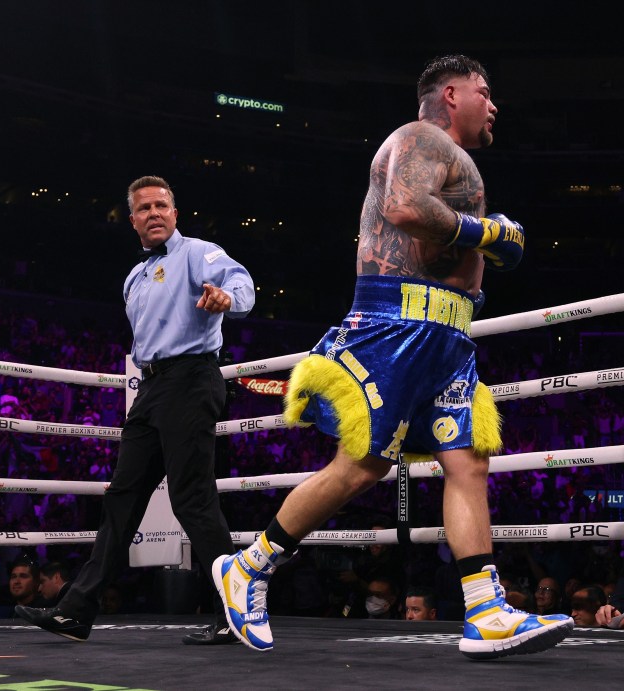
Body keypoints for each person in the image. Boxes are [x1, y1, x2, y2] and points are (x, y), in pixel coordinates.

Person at [212, 55, 573, 658]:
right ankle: (248, 566)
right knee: (361, 467)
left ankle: (485, 611)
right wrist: (487, 234)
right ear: (451, 94)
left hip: (449, 334)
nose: (494, 105)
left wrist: (496, 245)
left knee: (468, 463)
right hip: (397, 323)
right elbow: (403, 208)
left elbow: (441, 235)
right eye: (485, 93)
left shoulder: (452, 157)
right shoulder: (421, 136)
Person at [16, 175, 255, 645]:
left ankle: (236, 614)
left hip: (190, 380)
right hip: (151, 389)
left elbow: (239, 281)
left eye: (161, 205)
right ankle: (76, 610)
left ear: (175, 212)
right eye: (144, 208)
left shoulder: (198, 252)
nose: (154, 213)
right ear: (132, 221)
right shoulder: (134, 276)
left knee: (192, 500)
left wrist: (229, 299)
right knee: (122, 498)